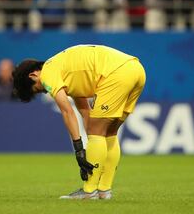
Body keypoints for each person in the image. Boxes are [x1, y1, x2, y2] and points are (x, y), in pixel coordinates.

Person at [12, 44, 146, 199]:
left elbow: (67, 111)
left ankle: (89, 191)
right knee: (109, 132)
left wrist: (79, 150)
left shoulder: (48, 72)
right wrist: (90, 147)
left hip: (116, 72)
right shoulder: (66, 72)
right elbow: (84, 112)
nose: (45, 91)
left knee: (98, 131)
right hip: (136, 70)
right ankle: (104, 190)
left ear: (33, 75)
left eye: (38, 89)